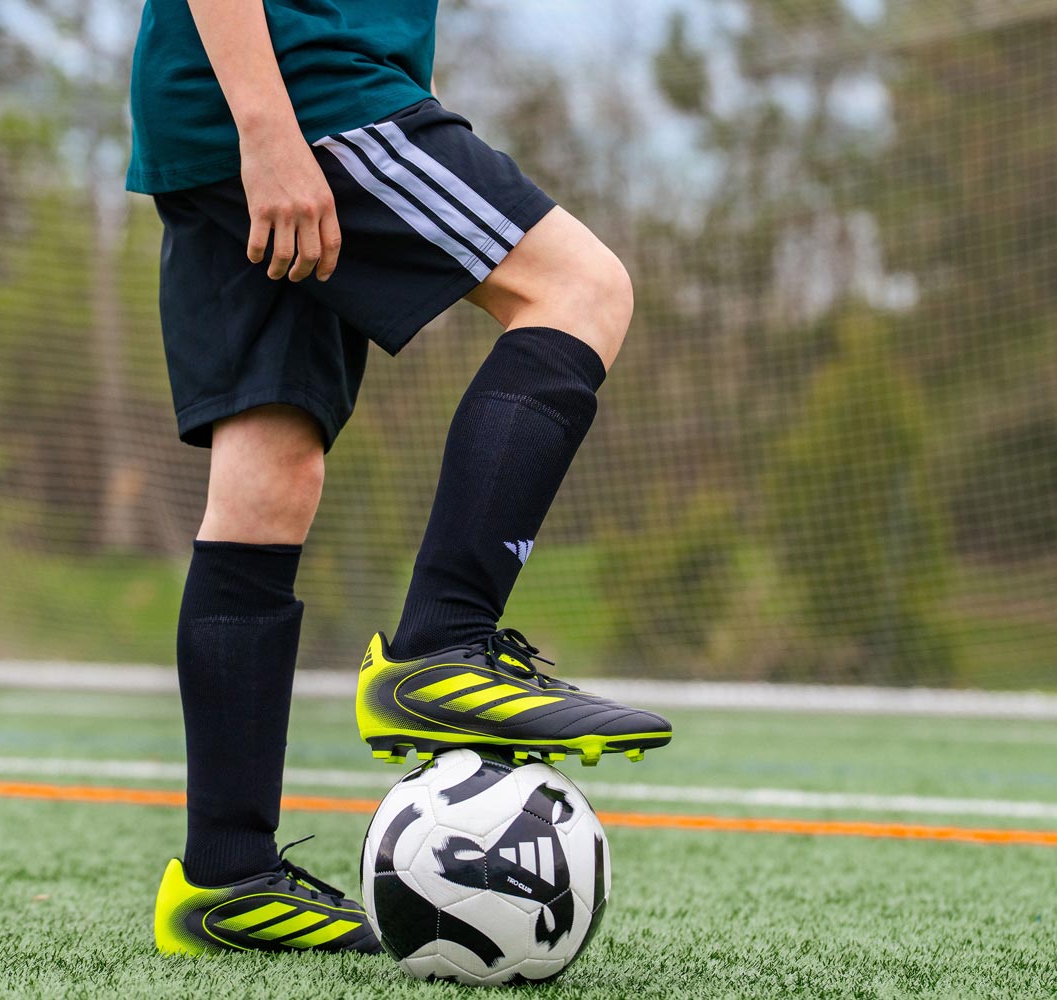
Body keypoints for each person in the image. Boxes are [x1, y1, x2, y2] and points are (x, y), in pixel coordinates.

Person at [131, 0, 673, 956]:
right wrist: (268, 129)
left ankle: (222, 874)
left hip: (236, 101)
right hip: (296, 86)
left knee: (270, 474)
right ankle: (442, 645)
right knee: (578, 288)